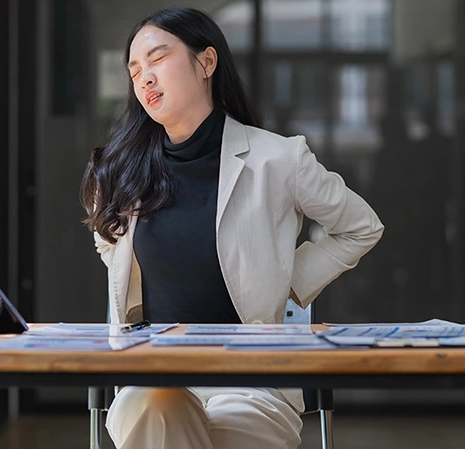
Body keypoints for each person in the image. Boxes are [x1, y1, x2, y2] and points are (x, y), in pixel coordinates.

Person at [81, 7, 384, 448]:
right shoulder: (119, 171)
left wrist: (287, 279)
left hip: (251, 379)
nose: (144, 77)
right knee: (158, 403)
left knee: (224, 428)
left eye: (157, 59)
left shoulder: (278, 159)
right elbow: (108, 244)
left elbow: (360, 227)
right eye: (134, 70)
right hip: (150, 375)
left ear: (206, 63)